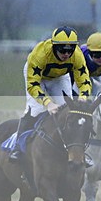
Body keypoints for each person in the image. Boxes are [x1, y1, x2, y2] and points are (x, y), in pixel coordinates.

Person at [8, 26, 92, 162]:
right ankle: (17, 147)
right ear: (53, 46)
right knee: (34, 110)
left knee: (68, 111)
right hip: (37, 79)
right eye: (62, 50)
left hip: (59, 77)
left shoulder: (77, 55)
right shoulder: (39, 55)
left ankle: (75, 150)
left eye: (70, 50)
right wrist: (48, 103)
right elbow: (33, 85)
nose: (66, 54)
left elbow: (84, 81)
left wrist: (82, 98)